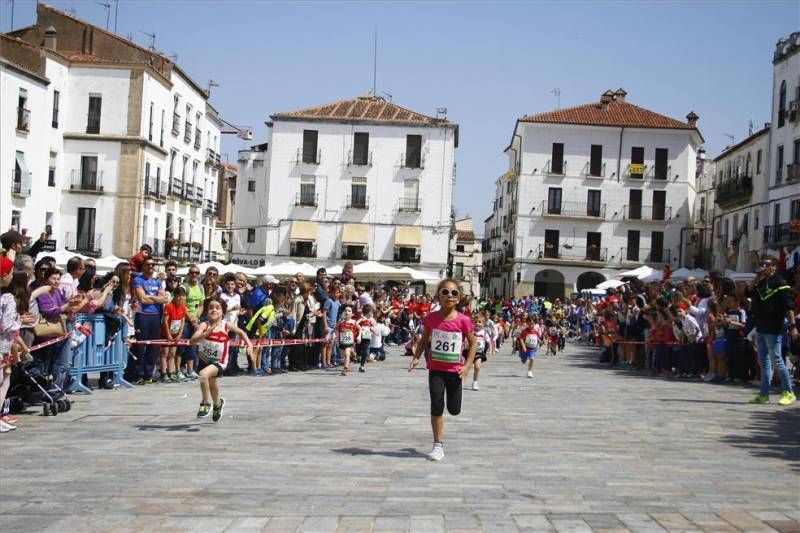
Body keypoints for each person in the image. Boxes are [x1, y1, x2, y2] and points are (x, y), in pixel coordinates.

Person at [409, 279, 476, 462]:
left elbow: (473, 344)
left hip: (455, 371)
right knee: (436, 404)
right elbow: (424, 340)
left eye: (454, 293)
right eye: (445, 292)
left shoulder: (464, 320)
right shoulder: (431, 318)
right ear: (438, 295)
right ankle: (438, 445)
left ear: (459, 297)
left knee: (453, 409)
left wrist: (467, 365)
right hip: (436, 369)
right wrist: (416, 356)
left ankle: (455, 403)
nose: (450, 296)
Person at [191, 297, 252, 422]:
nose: (214, 310)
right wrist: (205, 334)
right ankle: (217, 404)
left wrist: (249, 345)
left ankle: (205, 403)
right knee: (212, 384)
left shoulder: (226, 325)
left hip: (220, 362)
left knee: (203, 376)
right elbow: (192, 341)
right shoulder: (204, 325)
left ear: (223, 312)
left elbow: (241, 332)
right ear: (206, 311)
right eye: (211, 308)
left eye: (217, 308)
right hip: (204, 360)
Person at [747, 256, 797, 405]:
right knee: (763, 362)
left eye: (766, 265)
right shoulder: (760, 283)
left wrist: (793, 326)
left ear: (774, 266)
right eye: (761, 264)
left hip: (774, 327)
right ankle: (764, 394)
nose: (763, 267)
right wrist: (757, 278)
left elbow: (789, 307)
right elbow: (748, 294)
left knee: (777, 360)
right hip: (761, 327)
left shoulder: (781, 284)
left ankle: (788, 392)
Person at [131, 257, 168, 384]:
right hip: (143, 315)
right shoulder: (138, 280)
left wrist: (151, 297)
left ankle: (148, 374)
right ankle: (138, 374)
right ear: (143, 266)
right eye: (148, 264)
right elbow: (142, 299)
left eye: (153, 264)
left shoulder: (157, 282)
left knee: (154, 346)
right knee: (141, 346)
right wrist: (155, 297)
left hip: (156, 315)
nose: (151, 267)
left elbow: (164, 299)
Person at [161, 286, 187, 383]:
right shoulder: (169, 306)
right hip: (166, 334)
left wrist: (180, 334)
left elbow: (183, 321)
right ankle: (164, 373)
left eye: (183, 296)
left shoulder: (183, 307)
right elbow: (165, 321)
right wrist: (168, 334)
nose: (181, 298)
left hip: (176, 334)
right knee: (165, 353)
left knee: (172, 353)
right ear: (175, 296)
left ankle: (171, 372)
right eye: (179, 296)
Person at [336, 304, 359, 375]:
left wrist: (359, 336)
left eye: (349, 311)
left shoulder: (354, 322)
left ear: (352, 314)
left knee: (347, 354)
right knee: (343, 355)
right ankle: (352, 354)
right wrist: (335, 337)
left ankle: (345, 368)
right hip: (342, 341)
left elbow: (360, 329)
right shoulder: (341, 321)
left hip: (350, 341)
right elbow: (336, 328)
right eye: (345, 310)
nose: (347, 312)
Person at [470, 313, 489, 390]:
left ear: (483, 324)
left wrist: (491, 350)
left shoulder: (484, 333)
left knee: (477, 367)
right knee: (464, 367)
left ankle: (475, 382)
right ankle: (458, 381)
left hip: (479, 352)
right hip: (469, 351)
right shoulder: (470, 331)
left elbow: (488, 342)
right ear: (473, 322)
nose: (477, 323)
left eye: (480, 322)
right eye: (476, 322)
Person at [357, 304, 376, 373]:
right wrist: (360, 328)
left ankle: (362, 366)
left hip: (367, 336)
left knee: (365, 350)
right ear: (368, 312)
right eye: (371, 312)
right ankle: (358, 355)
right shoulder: (363, 318)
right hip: (362, 335)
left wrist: (374, 331)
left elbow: (370, 327)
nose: (372, 314)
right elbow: (357, 323)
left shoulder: (369, 320)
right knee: (360, 348)